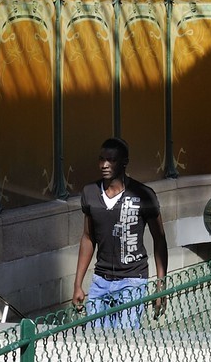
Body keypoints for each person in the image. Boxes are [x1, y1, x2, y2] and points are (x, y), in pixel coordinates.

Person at [72, 137, 168, 328]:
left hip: (133, 281)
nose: (104, 165)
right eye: (101, 159)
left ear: (124, 162)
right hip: (101, 281)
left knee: (124, 339)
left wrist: (161, 284)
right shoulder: (90, 193)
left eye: (111, 160)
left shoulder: (143, 194)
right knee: (93, 339)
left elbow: (159, 238)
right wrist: (78, 284)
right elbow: (88, 237)